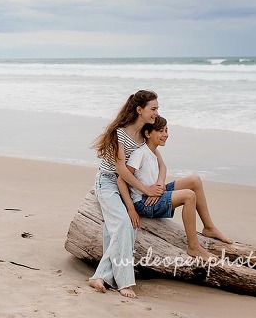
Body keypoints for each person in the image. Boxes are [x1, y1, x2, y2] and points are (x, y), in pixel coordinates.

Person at [120, 116, 232, 260]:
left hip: (155, 192)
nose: (165, 134)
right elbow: (122, 180)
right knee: (189, 196)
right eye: (160, 131)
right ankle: (193, 247)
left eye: (166, 130)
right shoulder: (139, 153)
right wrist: (131, 208)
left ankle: (209, 228)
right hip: (143, 202)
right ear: (148, 134)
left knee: (195, 180)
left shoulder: (153, 151)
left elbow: (163, 167)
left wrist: (160, 186)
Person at [88, 90, 160, 299]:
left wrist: (157, 184)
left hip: (128, 186)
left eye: (157, 109)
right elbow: (120, 170)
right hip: (108, 182)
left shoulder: (145, 132)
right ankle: (125, 283)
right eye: (153, 109)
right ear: (139, 110)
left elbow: (156, 158)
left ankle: (100, 276)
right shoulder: (119, 133)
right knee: (123, 224)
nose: (156, 112)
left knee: (123, 230)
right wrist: (144, 191)